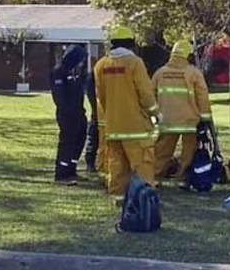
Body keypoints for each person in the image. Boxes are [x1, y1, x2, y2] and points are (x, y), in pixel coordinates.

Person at [94, 26, 161, 205]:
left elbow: (101, 96)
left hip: (113, 126)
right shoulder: (135, 63)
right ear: (131, 44)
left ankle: (119, 198)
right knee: (143, 164)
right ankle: (145, 199)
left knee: (117, 165)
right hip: (135, 127)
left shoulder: (101, 65)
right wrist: (155, 113)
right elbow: (145, 93)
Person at [152, 40, 214, 189]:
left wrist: (154, 114)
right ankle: (182, 178)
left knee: (161, 152)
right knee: (188, 153)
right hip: (189, 122)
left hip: (167, 120)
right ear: (187, 55)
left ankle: (154, 177)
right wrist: (206, 119)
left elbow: (150, 95)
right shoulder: (193, 73)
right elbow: (202, 97)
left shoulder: (160, 73)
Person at [50, 45, 89, 185]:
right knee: (67, 142)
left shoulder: (74, 72)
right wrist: (69, 111)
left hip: (79, 113)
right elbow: (60, 96)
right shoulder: (59, 72)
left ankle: (72, 169)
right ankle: (61, 174)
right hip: (67, 115)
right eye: (81, 59)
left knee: (80, 140)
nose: (83, 62)